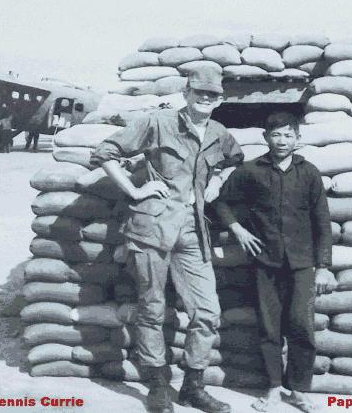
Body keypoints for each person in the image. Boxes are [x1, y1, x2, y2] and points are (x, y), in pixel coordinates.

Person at [90, 67, 243, 413]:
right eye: (199, 93)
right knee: (152, 309)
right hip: (152, 228)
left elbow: (235, 160)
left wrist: (217, 182)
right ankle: (158, 385)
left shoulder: (219, 133)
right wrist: (134, 189)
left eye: (213, 95)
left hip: (193, 230)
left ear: (220, 100)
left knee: (207, 312)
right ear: (187, 93)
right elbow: (105, 152)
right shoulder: (157, 123)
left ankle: (192, 386)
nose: (205, 99)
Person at [213, 111, 337, 413]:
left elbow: (322, 221)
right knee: (269, 330)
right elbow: (220, 201)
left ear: (298, 139)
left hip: (302, 265)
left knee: (302, 328)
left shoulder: (309, 173)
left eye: (288, 135)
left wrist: (323, 266)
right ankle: (272, 388)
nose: (282, 141)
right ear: (266, 138)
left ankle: (299, 390)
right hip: (264, 262)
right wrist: (237, 229)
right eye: (276, 135)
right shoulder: (250, 171)